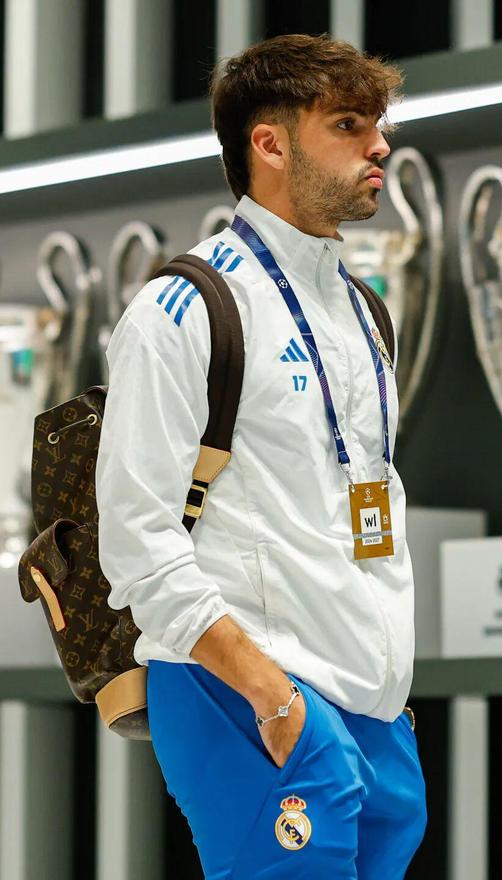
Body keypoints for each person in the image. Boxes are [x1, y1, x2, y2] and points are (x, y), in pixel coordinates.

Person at [96, 32, 427, 879]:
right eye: (348, 125)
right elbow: (136, 539)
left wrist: (386, 691)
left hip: (369, 708)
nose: (379, 146)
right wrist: (273, 697)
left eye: (378, 126)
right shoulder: (182, 308)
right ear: (270, 144)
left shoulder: (364, 312)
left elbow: (367, 507)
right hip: (253, 695)